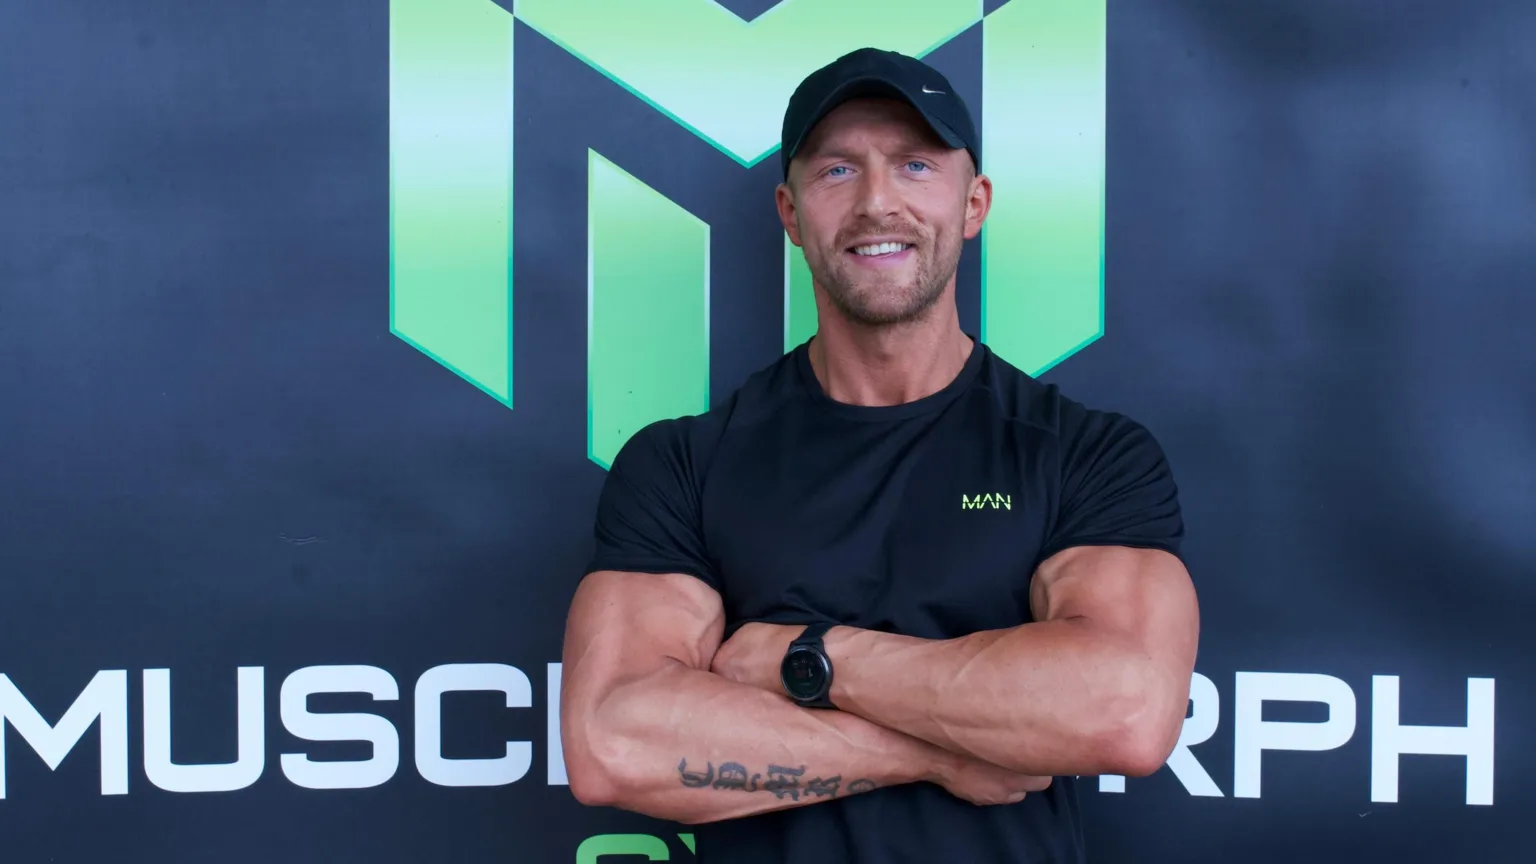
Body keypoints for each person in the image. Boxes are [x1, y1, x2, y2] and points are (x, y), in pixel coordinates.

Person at [559, 47, 1200, 863]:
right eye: (837, 171)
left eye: (915, 165)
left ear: (974, 204)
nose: (876, 202)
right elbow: (616, 743)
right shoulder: (684, 463)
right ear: (790, 214)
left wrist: (806, 658)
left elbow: (1124, 711)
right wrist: (943, 753)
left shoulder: (1085, 453)